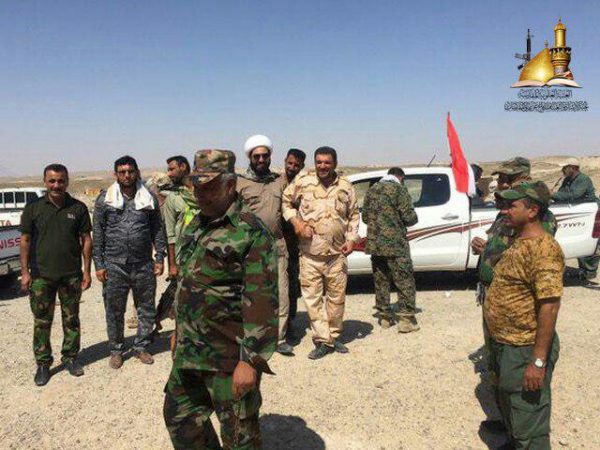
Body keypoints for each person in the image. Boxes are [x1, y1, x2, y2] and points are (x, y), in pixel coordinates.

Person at [163, 150, 278, 449]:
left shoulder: (250, 232)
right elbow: (186, 282)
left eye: (208, 187)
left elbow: (262, 302)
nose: (200, 193)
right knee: (180, 419)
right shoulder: (195, 226)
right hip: (190, 351)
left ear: (230, 185)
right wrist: (178, 330)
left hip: (229, 357)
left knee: (238, 436)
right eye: (196, 186)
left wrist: (250, 360)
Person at [471, 157, 557, 436]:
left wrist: (538, 360)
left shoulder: (540, 235)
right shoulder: (512, 220)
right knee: (502, 378)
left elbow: (548, 303)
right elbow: (504, 248)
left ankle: (522, 432)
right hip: (500, 320)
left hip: (522, 333)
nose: (500, 183)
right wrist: (486, 248)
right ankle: (510, 426)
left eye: (505, 178)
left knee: (525, 401)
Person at [483, 181, 563, 449]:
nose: (504, 210)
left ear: (532, 211)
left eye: (511, 206)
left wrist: (537, 362)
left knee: (529, 418)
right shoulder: (519, 241)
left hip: (524, 347)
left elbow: (549, 306)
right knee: (510, 405)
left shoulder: (544, 249)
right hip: (505, 343)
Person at [282, 146, 359, 360]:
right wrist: (297, 223)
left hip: (336, 255)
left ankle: (333, 335)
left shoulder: (345, 186)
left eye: (327, 162)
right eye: (319, 162)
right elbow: (286, 202)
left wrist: (352, 239)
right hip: (310, 255)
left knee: (336, 300)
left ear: (335, 164)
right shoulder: (303, 181)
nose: (322, 166)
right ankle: (323, 340)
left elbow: (354, 215)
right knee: (313, 301)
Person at [19, 164, 92, 386]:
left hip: (71, 275)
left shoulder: (78, 208)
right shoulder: (33, 208)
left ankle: (70, 358)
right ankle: (43, 364)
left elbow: (86, 240)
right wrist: (25, 272)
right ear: (45, 182)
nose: (56, 185)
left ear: (67, 182)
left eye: (61, 181)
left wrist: (86, 271)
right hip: (41, 276)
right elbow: (25, 240)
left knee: (72, 320)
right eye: (52, 181)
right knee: (42, 321)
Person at [93, 155, 166, 369]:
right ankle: (116, 350)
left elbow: (157, 229)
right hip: (114, 265)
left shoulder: (148, 198)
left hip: (143, 263)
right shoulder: (105, 199)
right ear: (116, 174)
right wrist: (99, 265)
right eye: (122, 172)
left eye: (130, 171)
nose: (127, 175)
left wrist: (159, 257)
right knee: (114, 310)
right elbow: (98, 234)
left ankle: (141, 346)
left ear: (137, 172)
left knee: (146, 308)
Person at [237, 135, 292, 356]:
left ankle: (279, 338)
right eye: (256, 156)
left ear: (270, 157)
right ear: (250, 158)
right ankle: (253, 338)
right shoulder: (240, 183)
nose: (261, 159)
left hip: (277, 245)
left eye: (264, 156)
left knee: (281, 294)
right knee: (253, 296)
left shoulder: (279, 181)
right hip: (250, 248)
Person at [362, 168, 419, 332]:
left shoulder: (372, 190)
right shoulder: (399, 189)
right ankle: (406, 320)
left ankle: (385, 317)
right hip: (396, 245)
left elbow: (365, 217)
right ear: (401, 178)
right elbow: (409, 218)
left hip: (375, 245)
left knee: (381, 280)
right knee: (404, 280)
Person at [155, 155, 199, 336]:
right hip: (184, 256)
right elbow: (170, 235)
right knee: (181, 298)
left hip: (205, 254)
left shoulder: (203, 192)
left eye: (172, 169)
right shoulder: (173, 197)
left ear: (183, 167)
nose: (169, 173)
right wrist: (172, 264)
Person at [552, 157, 599, 280]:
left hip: (589, 211)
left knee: (588, 240)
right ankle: (584, 271)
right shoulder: (567, 180)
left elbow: (574, 195)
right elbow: (561, 194)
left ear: (573, 168)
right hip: (577, 209)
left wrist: (553, 195)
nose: (563, 170)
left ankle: (589, 271)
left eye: (565, 167)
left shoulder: (583, 179)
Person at [282, 148, 306, 340]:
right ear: (285, 161)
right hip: (276, 241)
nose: (292, 167)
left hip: (293, 243)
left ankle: (290, 322)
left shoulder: (304, 185)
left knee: (291, 285)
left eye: (296, 165)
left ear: (302, 166)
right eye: (290, 163)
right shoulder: (275, 182)